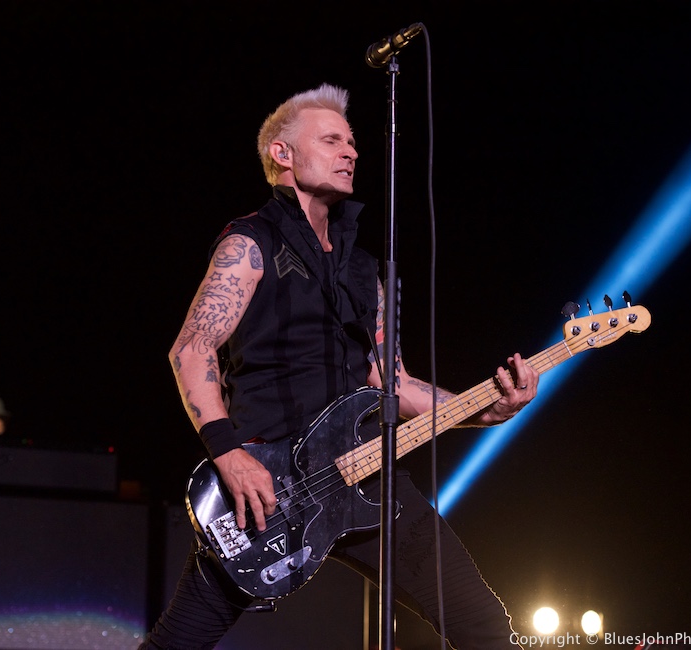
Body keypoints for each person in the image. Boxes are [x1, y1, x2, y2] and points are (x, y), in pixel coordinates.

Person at [142, 83, 539, 649]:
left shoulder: (363, 270)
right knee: (176, 644)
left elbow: (391, 384)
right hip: (269, 489)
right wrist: (229, 454)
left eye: (352, 143)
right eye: (332, 141)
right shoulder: (248, 243)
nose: (352, 152)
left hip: (365, 477)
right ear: (283, 154)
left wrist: (489, 409)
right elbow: (191, 348)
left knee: (484, 626)